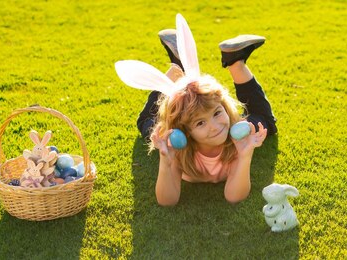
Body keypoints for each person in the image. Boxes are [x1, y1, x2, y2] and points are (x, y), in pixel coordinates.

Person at [117, 14, 276, 206]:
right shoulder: (178, 146)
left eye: (217, 113)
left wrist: (245, 155)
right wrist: (165, 162)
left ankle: (234, 62)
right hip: (176, 126)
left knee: (264, 123)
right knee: (148, 123)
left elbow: (234, 197)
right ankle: (179, 66)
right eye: (200, 123)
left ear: (225, 107)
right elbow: (167, 201)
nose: (216, 126)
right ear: (184, 132)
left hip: (232, 132)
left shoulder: (237, 137)